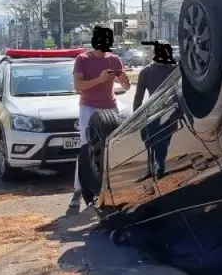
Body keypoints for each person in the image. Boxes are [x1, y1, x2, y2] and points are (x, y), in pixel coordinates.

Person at [72, 25, 130, 210]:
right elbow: (78, 86)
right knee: (86, 147)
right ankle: (80, 191)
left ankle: (108, 190)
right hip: (89, 107)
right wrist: (100, 79)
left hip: (110, 106)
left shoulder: (114, 59)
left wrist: (124, 80)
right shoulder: (82, 59)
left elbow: (127, 87)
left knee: (111, 149)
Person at [134, 40, 178, 178]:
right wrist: (137, 118)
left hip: (170, 111)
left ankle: (159, 164)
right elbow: (138, 97)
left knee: (163, 141)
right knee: (152, 141)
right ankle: (156, 165)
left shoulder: (174, 70)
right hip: (152, 113)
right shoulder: (146, 72)